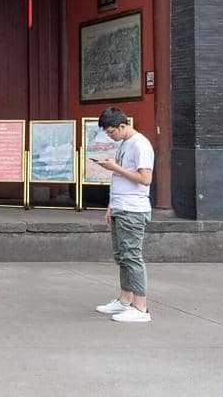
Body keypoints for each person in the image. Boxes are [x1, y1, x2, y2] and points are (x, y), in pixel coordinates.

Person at [94, 107, 155, 324]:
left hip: (133, 209)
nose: (110, 136)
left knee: (132, 257)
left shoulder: (140, 144)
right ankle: (124, 300)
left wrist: (115, 168)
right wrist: (111, 207)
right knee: (122, 256)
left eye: (111, 132)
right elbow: (121, 180)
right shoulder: (124, 144)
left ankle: (141, 308)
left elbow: (145, 179)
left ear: (122, 125)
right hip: (121, 207)